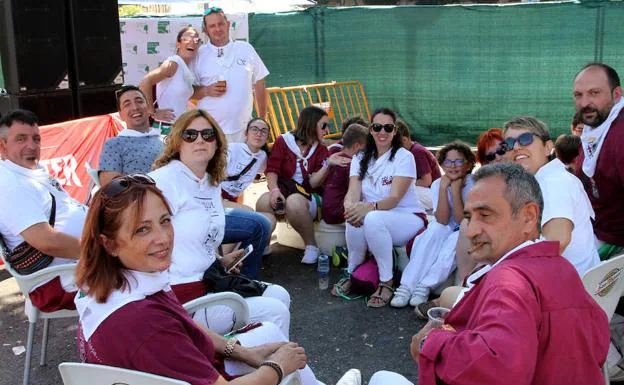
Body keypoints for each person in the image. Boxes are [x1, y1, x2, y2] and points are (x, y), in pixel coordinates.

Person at [74, 176, 321, 385]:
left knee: (270, 333)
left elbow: (181, 321)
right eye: (142, 229)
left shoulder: (118, 280)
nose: (163, 239)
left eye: (165, 221)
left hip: (168, 370)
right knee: (287, 357)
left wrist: (245, 353)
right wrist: (277, 368)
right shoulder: (144, 320)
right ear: (110, 243)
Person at [408, 162, 609, 385]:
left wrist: (430, 341)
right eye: (468, 216)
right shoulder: (561, 267)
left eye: (486, 215)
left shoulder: (509, 281)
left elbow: (496, 368)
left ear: (529, 216)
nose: (471, 230)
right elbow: (598, 343)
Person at [149, 110, 287, 334]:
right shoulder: (164, 181)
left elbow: (198, 242)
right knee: (274, 311)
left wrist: (220, 261)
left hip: (212, 280)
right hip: (181, 295)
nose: (200, 140)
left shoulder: (211, 183)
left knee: (280, 295)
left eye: (208, 134)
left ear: (217, 144)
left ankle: (245, 360)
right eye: (190, 135)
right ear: (176, 142)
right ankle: (246, 362)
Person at [332, 107, 427, 307]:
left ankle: (387, 282)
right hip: (376, 215)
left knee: (372, 217)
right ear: (371, 130)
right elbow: (353, 190)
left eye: (388, 127)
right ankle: (353, 272)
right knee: (355, 216)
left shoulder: (403, 156)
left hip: (407, 216)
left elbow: (394, 198)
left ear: (394, 131)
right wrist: (350, 207)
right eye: (377, 127)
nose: (382, 132)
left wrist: (368, 208)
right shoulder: (359, 157)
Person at [0, 109, 86, 312]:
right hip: (56, 281)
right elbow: (46, 241)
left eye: (36, 139)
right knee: (145, 274)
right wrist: (105, 252)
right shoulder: (10, 184)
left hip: (74, 264)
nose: (32, 146)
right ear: (2, 146)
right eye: (21, 139)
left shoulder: (29, 172)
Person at [504, 116, 599, 277]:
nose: (517, 147)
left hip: (567, 288)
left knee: (453, 294)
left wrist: (512, 275)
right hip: (566, 280)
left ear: (548, 147)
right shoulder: (545, 180)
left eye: (525, 139)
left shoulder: (554, 182)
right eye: (510, 143)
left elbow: (557, 242)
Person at [391, 141, 475, 308]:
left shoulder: (473, 183)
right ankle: (406, 286)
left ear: (468, 164)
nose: (453, 166)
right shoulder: (438, 184)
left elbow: (460, 221)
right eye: (448, 162)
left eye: (458, 161)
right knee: (435, 229)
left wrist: (456, 190)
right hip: (446, 227)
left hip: (465, 230)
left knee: (455, 238)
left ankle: (425, 286)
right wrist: (444, 188)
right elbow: (443, 220)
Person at [256, 106, 337, 264]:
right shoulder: (283, 141)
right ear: (311, 124)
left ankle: (311, 246)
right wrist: (274, 191)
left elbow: (313, 183)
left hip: (310, 197)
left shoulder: (321, 149)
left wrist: (328, 165)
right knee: (263, 202)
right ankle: (262, 246)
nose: (327, 130)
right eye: (324, 125)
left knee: (294, 201)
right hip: (284, 190)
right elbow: (272, 170)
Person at [192, 7, 269, 143]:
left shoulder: (245, 49)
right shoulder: (199, 55)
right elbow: (188, 91)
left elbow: (259, 83)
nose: (217, 29)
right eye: (212, 26)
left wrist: (262, 120)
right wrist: (206, 91)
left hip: (243, 131)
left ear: (228, 25)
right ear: (206, 30)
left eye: (220, 24)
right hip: (209, 133)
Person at [573, 63, 624, 260]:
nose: (584, 102)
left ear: (616, 94)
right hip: (600, 238)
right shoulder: (595, 128)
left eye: (594, 93)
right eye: (578, 95)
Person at [98, 85, 164, 187]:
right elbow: (110, 188)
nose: (135, 107)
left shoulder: (166, 140)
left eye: (139, 101)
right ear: (121, 115)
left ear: (148, 107)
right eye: (127, 104)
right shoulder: (114, 144)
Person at [139, 27, 201, 134]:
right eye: (186, 38)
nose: (192, 42)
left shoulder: (186, 68)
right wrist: (152, 112)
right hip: (165, 129)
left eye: (196, 40)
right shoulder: (173, 64)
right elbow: (145, 82)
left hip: (180, 129)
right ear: (178, 43)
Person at [321, 123, 368, 225]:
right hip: (338, 213)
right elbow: (357, 193)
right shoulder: (349, 164)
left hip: (327, 210)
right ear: (356, 146)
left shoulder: (334, 157)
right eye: (366, 148)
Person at [395, 120, 441, 210]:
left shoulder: (417, 151)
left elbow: (426, 181)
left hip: (434, 195)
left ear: (404, 140)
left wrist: (403, 182)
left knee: (406, 191)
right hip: (427, 192)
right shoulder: (409, 151)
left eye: (395, 145)